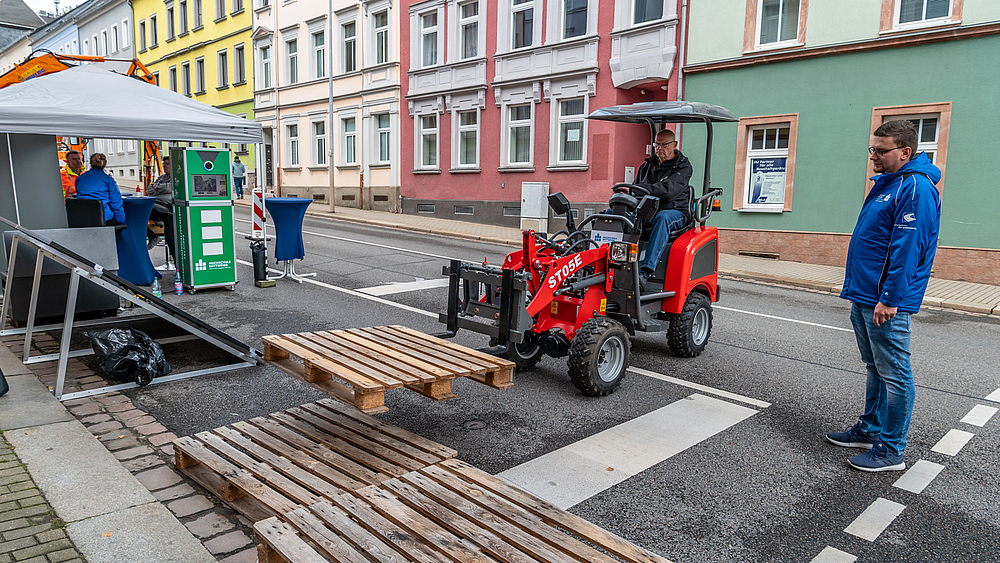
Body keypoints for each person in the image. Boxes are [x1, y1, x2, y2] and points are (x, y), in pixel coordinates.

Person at [827, 120, 942, 472]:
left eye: (881, 150)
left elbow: (908, 248)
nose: (873, 156)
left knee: (895, 373)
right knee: (875, 367)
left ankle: (891, 450)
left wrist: (890, 299)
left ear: (905, 152)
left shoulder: (915, 188)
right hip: (865, 294)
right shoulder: (889, 184)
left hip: (885, 300)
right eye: (872, 149)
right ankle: (870, 430)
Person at [633, 129, 693, 290]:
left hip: (676, 211)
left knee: (663, 218)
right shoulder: (646, 166)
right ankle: (614, 262)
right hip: (649, 209)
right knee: (618, 215)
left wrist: (642, 189)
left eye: (664, 144)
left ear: (674, 145)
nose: (659, 148)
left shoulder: (683, 167)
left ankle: (645, 271)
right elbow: (634, 189)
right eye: (657, 144)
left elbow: (668, 191)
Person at [74, 153, 126, 225]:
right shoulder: (108, 180)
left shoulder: (80, 179)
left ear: (91, 163)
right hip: (103, 218)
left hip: (81, 217)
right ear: (104, 164)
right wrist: (121, 221)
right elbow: (116, 203)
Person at [146, 156, 176, 258]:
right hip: (156, 207)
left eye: (167, 164)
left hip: (168, 210)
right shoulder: (162, 177)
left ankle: (177, 263)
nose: (164, 166)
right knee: (137, 215)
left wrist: (156, 189)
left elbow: (169, 189)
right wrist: (160, 190)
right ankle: (153, 236)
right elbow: (149, 189)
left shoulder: (176, 178)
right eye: (163, 165)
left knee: (170, 236)